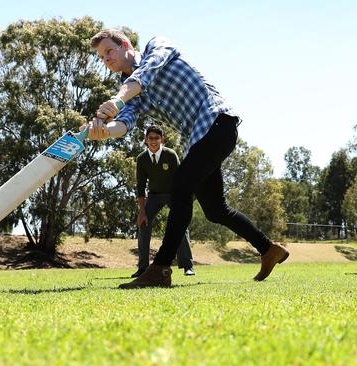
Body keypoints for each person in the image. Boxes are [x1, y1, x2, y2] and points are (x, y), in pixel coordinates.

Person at [84, 29, 289, 288]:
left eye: (109, 51)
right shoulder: (129, 92)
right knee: (215, 210)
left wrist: (117, 100)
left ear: (125, 44)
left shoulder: (156, 47)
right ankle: (268, 249)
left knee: (180, 184)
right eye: (102, 57)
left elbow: (144, 75)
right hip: (199, 139)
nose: (106, 59)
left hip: (217, 122)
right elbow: (124, 124)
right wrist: (101, 132)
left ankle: (160, 269)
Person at [134, 125, 195, 278]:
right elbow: (140, 187)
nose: (153, 141)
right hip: (154, 196)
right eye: (150, 138)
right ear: (145, 140)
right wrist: (142, 212)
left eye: (156, 138)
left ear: (162, 139)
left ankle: (188, 266)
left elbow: (180, 179)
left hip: (173, 195)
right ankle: (142, 268)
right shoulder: (141, 159)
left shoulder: (170, 154)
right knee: (143, 224)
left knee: (180, 225)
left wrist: (181, 203)